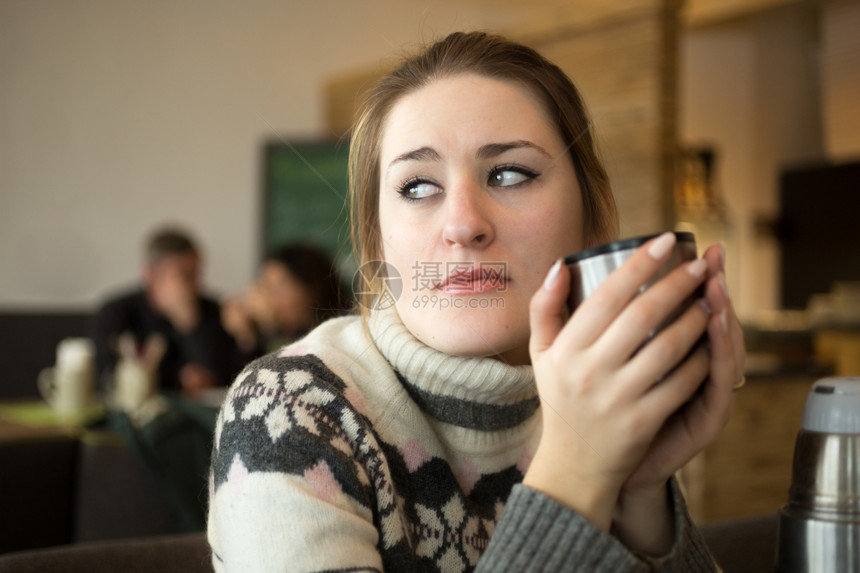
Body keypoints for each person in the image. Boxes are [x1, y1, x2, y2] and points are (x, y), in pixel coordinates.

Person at [207, 32, 745, 571]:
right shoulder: (285, 411)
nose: (464, 225)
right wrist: (577, 474)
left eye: (510, 174)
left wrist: (638, 496)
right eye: (417, 187)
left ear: (595, 220)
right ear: (375, 240)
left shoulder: (599, 405)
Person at [91, 226, 243, 395]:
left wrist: (190, 323)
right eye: (183, 275)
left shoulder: (216, 311)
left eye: (196, 273)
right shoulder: (115, 314)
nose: (193, 285)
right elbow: (108, 378)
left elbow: (219, 377)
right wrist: (177, 380)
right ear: (151, 275)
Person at [220, 243, 350, 356]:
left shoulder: (337, 335)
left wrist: (271, 330)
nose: (267, 296)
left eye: (277, 287)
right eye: (265, 286)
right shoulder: (267, 334)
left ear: (312, 290)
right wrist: (246, 337)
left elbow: (290, 370)